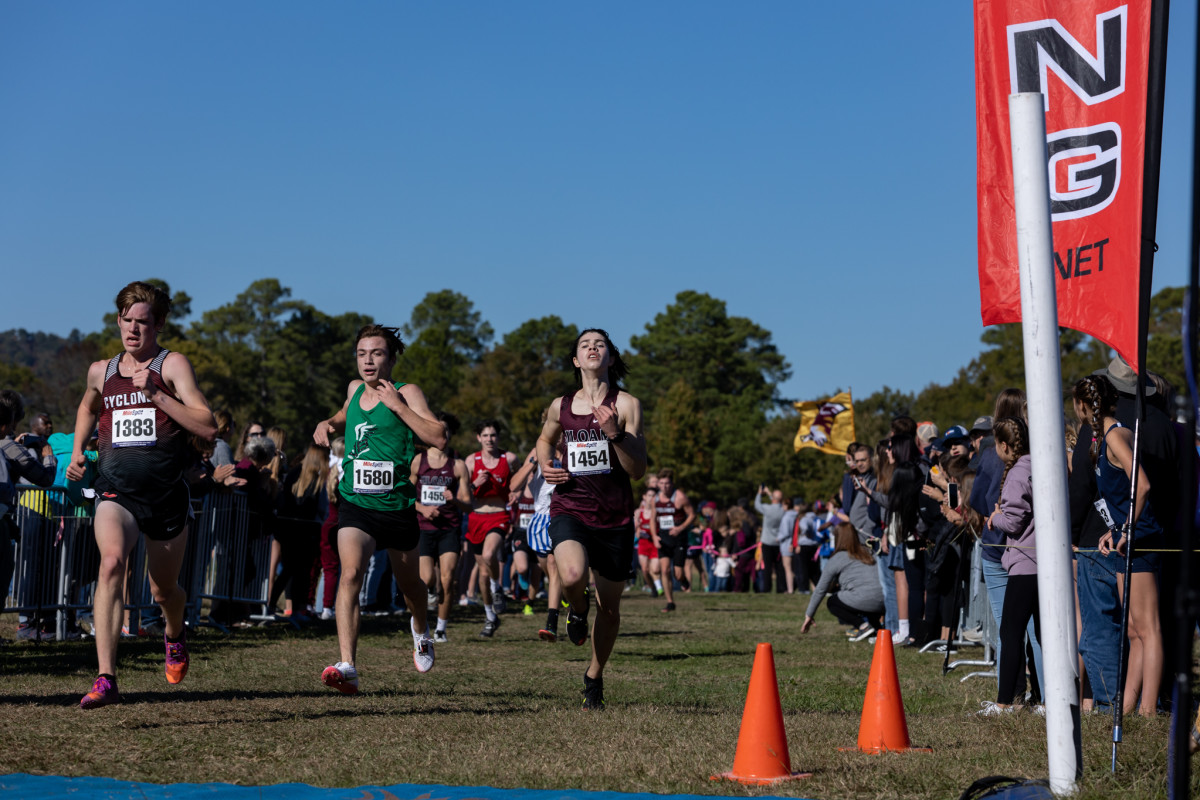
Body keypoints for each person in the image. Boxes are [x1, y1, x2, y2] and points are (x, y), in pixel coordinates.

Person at [66, 281, 218, 709]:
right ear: (118, 321)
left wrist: (154, 394)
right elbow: (86, 406)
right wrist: (78, 450)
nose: (134, 330)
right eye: (127, 321)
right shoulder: (102, 370)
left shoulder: (172, 366)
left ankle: (174, 633)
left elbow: (207, 425)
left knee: (163, 592)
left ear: (159, 325)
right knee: (112, 564)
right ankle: (107, 678)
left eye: (144, 323)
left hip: (167, 496)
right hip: (117, 493)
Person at [312, 324, 447, 694]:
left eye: (376, 353)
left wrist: (398, 407)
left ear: (391, 357)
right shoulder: (355, 389)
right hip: (355, 502)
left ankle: (420, 628)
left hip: (397, 506)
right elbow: (343, 417)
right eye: (361, 354)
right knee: (351, 573)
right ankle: (348, 665)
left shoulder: (407, 392)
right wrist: (327, 424)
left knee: (411, 588)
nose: (368, 361)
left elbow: (438, 436)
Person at [536, 328, 646, 710]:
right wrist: (545, 465)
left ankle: (594, 677)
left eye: (600, 344)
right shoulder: (560, 405)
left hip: (614, 517)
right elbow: (545, 439)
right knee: (570, 575)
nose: (593, 348)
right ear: (575, 360)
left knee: (611, 609)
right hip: (570, 506)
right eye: (585, 345)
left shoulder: (627, 404)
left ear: (610, 358)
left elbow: (637, 470)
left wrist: (615, 434)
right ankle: (577, 611)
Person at [1074, 374, 1163, 717]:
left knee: (1148, 628)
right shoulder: (1108, 434)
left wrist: (1126, 528)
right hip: (1127, 541)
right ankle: (1126, 709)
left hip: (1142, 540)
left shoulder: (1113, 436)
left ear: (1083, 406)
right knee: (1132, 629)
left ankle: (1148, 711)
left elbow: (1141, 485)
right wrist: (1113, 530)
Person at [979, 417, 1041, 715]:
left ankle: (1005, 702)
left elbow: (1014, 520)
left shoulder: (1017, 474)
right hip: (1042, 562)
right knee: (1040, 634)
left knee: (1010, 632)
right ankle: (1041, 697)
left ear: (1005, 446)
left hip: (1026, 562)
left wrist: (996, 517)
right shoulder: (1037, 464)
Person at [411, 411, 471, 643]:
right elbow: (405, 495)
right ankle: (422, 622)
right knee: (426, 580)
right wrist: (422, 508)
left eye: (446, 431)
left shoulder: (458, 465)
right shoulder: (419, 461)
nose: (442, 434)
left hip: (449, 528)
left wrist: (453, 499)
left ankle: (441, 629)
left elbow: (468, 505)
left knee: (448, 578)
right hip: (424, 527)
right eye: (438, 430)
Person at [464, 420, 518, 638]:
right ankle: (490, 617)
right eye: (485, 435)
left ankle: (498, 589)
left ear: (499, 437)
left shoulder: (510, 458)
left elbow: (522, 479)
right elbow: (461, 493)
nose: (489, 439)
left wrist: (517, 492)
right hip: (476, 517)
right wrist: (475, 483)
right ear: (479, 438)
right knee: (482, 575)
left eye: (493, 435)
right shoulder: (470, 461)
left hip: (499, 515)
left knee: (489, 555)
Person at [800, 523, 884, 641]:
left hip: (863, 599)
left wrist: (809, 614)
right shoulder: (869, 552)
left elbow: (820, 589)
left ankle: (863, 626)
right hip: (883, 600)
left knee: (833, 602)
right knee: (864, 595)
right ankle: (877, 630)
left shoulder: (838, 557)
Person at [654, 468, 695, 611]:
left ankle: (683, 580)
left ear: (672, 484)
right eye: (661, 483)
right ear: (658, 484)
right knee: (664, 570)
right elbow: (653, 519)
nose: (664, 486)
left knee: (678, 573)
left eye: (667, 483)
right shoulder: (656, 499)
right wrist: (654, 536)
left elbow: (692, 515)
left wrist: (680, 528)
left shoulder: (680, 497)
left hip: (679, 539)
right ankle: (670, 602)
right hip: (663, 539)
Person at [634, 488, 661, 596]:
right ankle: (653, 588)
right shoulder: (638, 512)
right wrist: (638, 528)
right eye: (649, 495)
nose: (651, 498)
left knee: (655, 569)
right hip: (643, 543)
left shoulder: (658, 512)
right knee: (644, 570)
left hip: (654, 543)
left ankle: (658, 585)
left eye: (654, 496)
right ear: (644, 497)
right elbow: (636, 532)